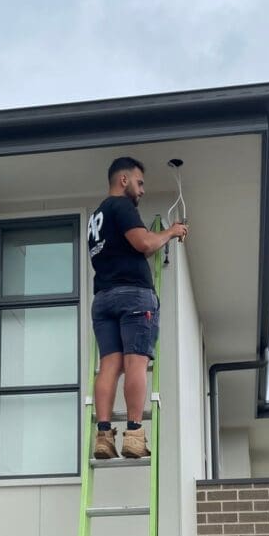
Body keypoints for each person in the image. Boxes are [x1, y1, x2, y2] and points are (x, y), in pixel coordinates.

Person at [88, 156, 188, 459]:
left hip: (103, 299)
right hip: (133, 296)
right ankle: (133, 435)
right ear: (123, 180)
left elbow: (127, 248)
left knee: (109, 366)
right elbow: (143, 243)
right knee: (135, 364)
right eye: (139, 182)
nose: (142, 190)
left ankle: (103, 435)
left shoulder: (96, 217)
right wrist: (171, 231)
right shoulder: (121, 207)